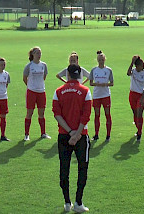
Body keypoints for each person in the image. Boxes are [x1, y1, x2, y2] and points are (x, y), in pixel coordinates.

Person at [52, 64, 92, 213]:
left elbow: (56, 113)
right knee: (82, 168)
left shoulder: (58, 91)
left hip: (64, 135)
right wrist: (77, 134)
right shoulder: (85, 91)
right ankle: (78, 202)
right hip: (82, 136)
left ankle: (67, 202)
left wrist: (70, 132)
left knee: (64, 168)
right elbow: (86, 115)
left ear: (68, 75)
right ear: (80, 75)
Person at [23, 46, 51, 141]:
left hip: (41, 92)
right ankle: (26, 134)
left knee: (41, 113)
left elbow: (44, 77)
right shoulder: (29, 66)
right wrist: (31, 86)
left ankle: (43, 133)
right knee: (29, 113)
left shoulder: (44, 65)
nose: (39, 55)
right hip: (31, 92)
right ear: (33, 54)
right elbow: (24, 78)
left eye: (40, 53)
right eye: (37, 53)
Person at [89, 50, 114, 141]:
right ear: (97, 60)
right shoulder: (94, 70)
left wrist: (105, 84)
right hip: (96, 95)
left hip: (106, 95)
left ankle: (108, 135)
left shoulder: (108, 70)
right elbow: (91, 83)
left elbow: (112, 83)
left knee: (107, 114)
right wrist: (97, 84)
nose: (101, 61)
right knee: (97, 115)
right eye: (99, 60)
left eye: (102, 59)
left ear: (104, 60)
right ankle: (96, 134)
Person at [127, 55, 144, 142]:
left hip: (140, 95)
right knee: (135, 113)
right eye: (141, 65)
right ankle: (138, 128)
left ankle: (139, 133)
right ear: (137, 66)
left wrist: (143, 96)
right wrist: (132, 62)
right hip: (132, 95)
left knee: (140, 114)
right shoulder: (133, 71)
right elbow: (128, 73)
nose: (143, 66)